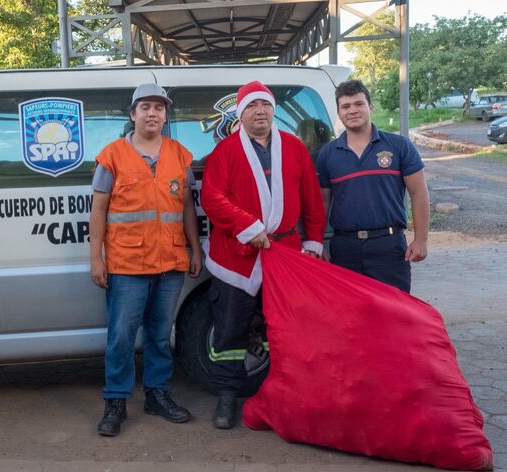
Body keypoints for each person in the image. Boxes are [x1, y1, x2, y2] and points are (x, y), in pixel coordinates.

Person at [201, 81, 326, 429]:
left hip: (283, 254)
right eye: (252, 106)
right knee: (228, 331)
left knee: (282, 329)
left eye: (265, 105)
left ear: (273, 110)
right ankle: (227, 397)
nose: (260, 111)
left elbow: (312, 199)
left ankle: (281, 394)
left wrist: (313, 241)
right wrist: (248, 226)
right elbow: (212, 199)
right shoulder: (225, 151)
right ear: (241, 114)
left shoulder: (294, 147)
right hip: (236, 258)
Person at [89, 83, 202, 437]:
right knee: (121, 336)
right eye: (145, 107)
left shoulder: (181, 155)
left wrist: (195, 249)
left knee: (159, 334)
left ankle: (157, 394)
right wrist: (96, 258)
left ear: (166, 115)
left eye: (159, 108)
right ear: (132, 113)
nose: (152, 113)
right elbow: (99, 209)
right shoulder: (112, 155)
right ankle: (116, 401)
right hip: (127, 264)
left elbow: (186, 207)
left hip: (169, 262)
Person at [316, 80, 429, 293]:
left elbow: (419, 193)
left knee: (394, 313)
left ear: (370, 107)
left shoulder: (399, 146)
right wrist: (318, 243)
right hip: (344, 248)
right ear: (338, 112)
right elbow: (322, 201)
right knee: (351, 315)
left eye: (359, 104)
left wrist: (421, 240)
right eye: (346, 106)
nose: (353, 111)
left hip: (388, 245)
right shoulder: (328, 154)